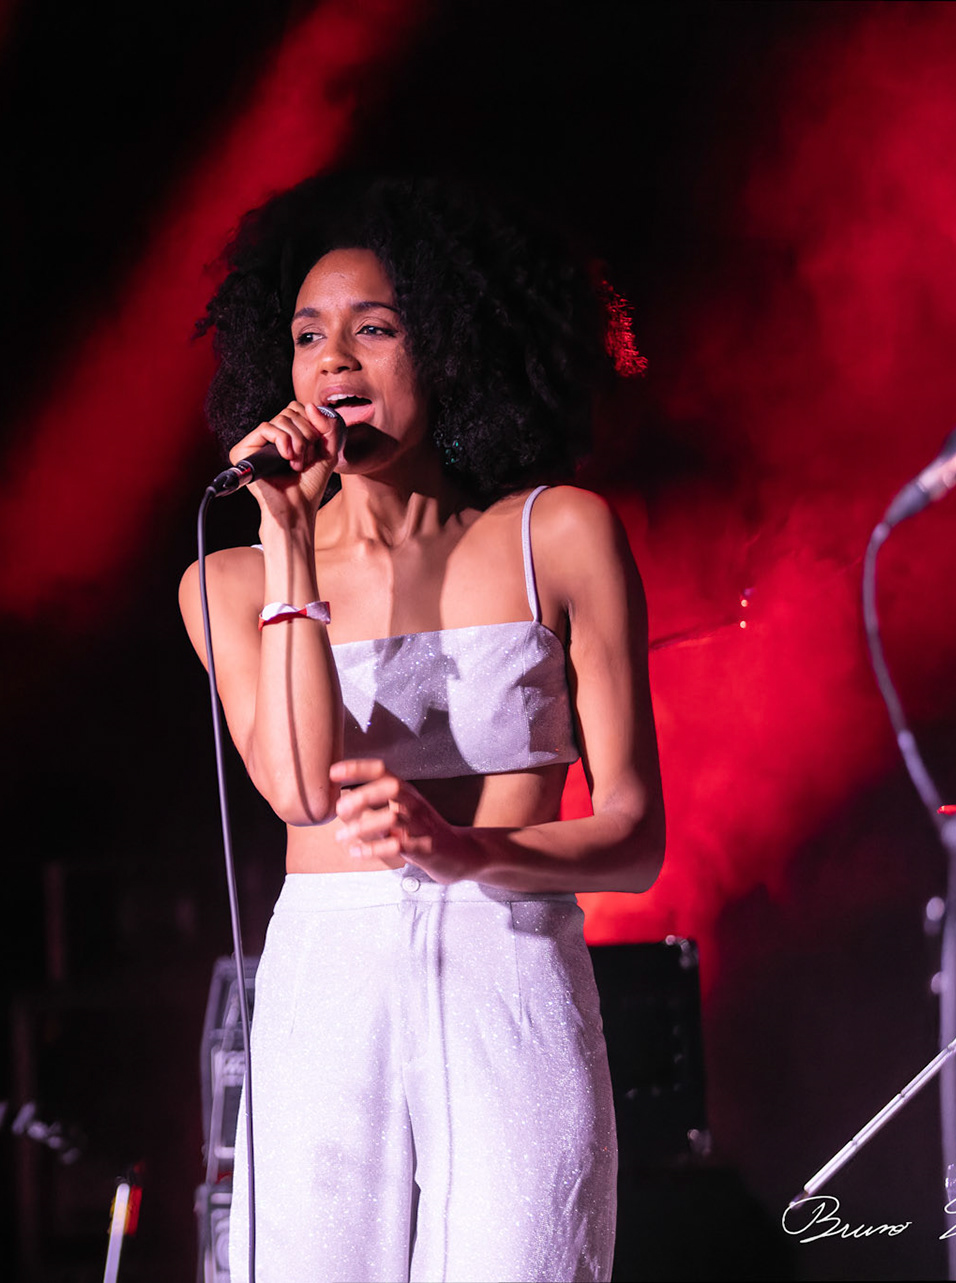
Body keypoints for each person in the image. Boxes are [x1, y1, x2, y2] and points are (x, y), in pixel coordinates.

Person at [180, 175, 663, 1283]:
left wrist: (471, 852)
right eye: (307, 336)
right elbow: (300, 788)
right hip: (325, 973)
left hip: (513, 961)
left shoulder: (562, 534)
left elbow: (635, 835)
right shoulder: (230, 574)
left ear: (448, 346)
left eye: (374, 328)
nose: (333, 360)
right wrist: (293, 542)